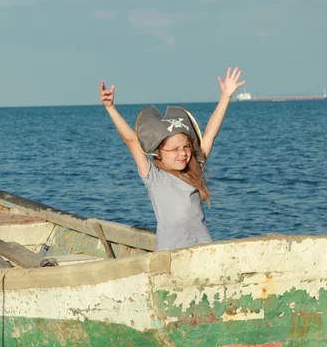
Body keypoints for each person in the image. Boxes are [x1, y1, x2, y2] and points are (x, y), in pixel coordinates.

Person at [100, 68, 246, 250]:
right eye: (174, 149)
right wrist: (110, 107)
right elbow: (131, 139)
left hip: (204, 248)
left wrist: (225, 97)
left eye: (186, 147)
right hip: (170, 253)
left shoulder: (195, 170)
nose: (183, 153)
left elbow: (210, 134)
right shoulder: (155, 178)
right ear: (159, 152)